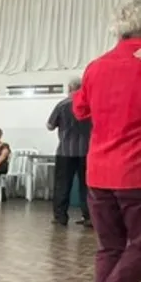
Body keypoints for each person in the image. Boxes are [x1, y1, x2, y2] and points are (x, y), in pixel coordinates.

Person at [74, 0, 141, 282]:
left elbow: (81, 110)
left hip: (99, 171)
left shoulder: (96, 66)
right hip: (136, 172)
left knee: (110, 247)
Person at [48, 77, 91, 227]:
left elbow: (50, 125)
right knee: (86, 185)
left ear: (69, 88)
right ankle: (89, 216)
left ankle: (60, 217)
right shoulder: (89, 104)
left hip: (65, 151)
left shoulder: (62, 105)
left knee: (62, 185)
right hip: (87, 151)